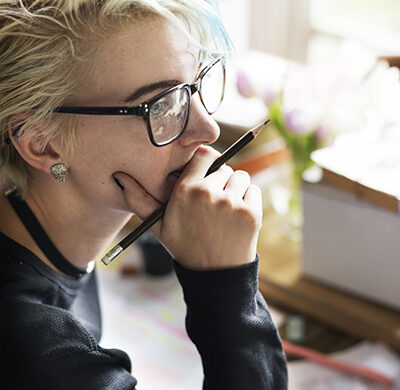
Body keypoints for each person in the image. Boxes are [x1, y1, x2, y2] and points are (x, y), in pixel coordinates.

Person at [0, 0, 288, 388]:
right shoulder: (38, 351)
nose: (208, 130)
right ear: (41, 144)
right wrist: (227, 286)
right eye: (161, 105)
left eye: (196, 84)